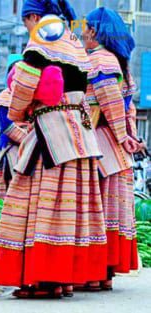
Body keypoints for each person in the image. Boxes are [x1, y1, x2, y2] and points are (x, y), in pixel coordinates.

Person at [0, 0, 108, 298]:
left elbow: (27, 79)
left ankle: (45, 279)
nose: (28, 28)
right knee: (71, 205)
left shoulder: (44, 31)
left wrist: (17, 111)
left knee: (42, 200)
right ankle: (65, 278)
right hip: (79, 130)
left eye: (26, 21)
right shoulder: (71, 37)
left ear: (32, 16)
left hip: (52, 129)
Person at [82, 7, 142, 290]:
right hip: (116, 148)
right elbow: (127, 109)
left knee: (96, 209)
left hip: (100, 142)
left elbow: (110, 105)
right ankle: (103, 274)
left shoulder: (100, 61)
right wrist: (128, 136)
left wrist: (121, 135)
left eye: (86, 28)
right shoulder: (120, 63)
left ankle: (93, 273)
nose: (82, 33)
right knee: (109, 211)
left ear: (94, 31)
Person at [0, 55, 29, 199]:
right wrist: (31, 140)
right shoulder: (5, 97)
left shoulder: (30, 97)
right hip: (10, 149)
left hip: (27, 147)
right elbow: (7, 127)